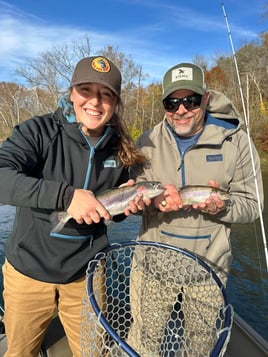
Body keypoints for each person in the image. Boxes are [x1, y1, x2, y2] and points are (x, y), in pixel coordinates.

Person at [0, 56, 148, 356]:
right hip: (28, 271)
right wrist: (66, 197)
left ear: (116, 103)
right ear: (71, 93)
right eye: (86, 90)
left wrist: (129, 206)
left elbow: (111, 213)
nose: (95, 101)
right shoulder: (38, 131)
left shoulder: (121, 148)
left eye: (106, 94)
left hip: (88, 275)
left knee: (92, 352)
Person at [128, 62, 264, 355]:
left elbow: (252, 205)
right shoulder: (146, 142)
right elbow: (136, 201)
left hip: (209, 271)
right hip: (151, 268)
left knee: (199, 348)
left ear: (205, 98)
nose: (181, 110)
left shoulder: (236, 141)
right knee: (142, 344)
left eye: (189, 100)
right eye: (171, 102)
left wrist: (221, 207)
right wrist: (145, 204)